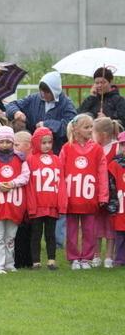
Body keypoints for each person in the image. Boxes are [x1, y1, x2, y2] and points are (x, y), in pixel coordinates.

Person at [59, 114, 108, 270]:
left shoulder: (97, 149)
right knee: (72, 230)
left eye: (91, 127)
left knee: (90, 230)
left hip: (90, 197)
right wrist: (61, 197)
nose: (90, 130)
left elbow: (102, 173)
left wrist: (103, 195)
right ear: (76, 129)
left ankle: (86, 258)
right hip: (72, 198)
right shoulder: (66, 148)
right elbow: (60, 173)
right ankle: (74, 258)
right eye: (86, 127)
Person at [0, 127, 30, 274]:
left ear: (12, 142)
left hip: (14, 201)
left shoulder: (20, 158)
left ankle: (9, 263)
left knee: (10, 235)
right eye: (1, 141)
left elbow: (25, 176)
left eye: (8, 142)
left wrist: (13, 183)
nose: (4, 145)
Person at [26, 127, 67, 270]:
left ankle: (51, 260)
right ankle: (36, 261)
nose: (47, 145)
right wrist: (31, 205)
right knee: (36, 234)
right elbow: (29, 185)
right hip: (37, 205)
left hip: (52, 205)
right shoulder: (31, 160)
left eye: (49, 142)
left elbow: (61, 183)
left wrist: (61, 204)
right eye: (43, 142)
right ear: (36, 143)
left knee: (50, 234)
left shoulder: (56, 159)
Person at [6, 71, 77, 154]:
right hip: (33, 151)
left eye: (47, 92)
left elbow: (70, 126)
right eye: (41, 91)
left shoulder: (66, 104)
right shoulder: (34, 98)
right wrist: (16, 112)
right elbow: (10, 105)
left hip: (56, 151)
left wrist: (47, 125)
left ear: (55, 91)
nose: (43, 95)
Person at [91, 117, 121, 268]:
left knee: (110, 225)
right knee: (96, 225)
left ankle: (109, 256)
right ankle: (96, 255)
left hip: (113, 194)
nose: (91, 136)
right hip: (97, 193)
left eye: (93, 132)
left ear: (102, 134)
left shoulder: (117, 147)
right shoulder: (94, 148)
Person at [12, 130, 34, 269]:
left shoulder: (31, 160)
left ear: (28, 145)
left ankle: (27, 260)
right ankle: (21, 260)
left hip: (30, 200)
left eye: (16, 145)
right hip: (20, 199)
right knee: (21, 230)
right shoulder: (18, 160)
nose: (13, 148)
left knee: (29, 231)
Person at [106, 131, 125, 266]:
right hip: (121, 206)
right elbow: (111, 188)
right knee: (120, 234)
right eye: (123, 145)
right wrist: (112, 206)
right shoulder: (114, 165)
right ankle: (120, 259)